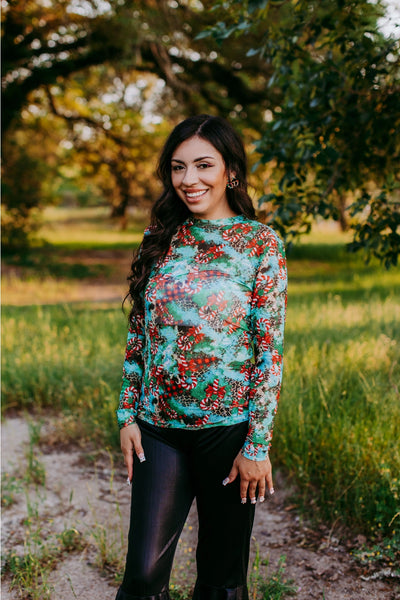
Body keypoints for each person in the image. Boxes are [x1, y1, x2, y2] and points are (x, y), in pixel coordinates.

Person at [115, 114, 287, 600]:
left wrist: (257, 445)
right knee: (143, 577)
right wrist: (127, 412)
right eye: (177, 167)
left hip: (228, 435)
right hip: (157, 429)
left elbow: (268, 353)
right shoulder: (161, 237)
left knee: (220, 581)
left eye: (203, 165)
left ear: (231, 170)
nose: (189, 180)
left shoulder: (260, 243)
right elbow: (139, 337)